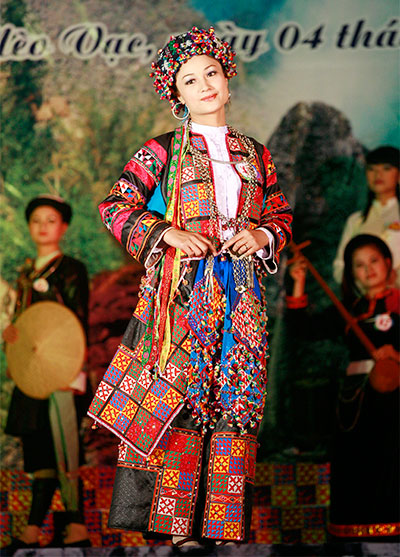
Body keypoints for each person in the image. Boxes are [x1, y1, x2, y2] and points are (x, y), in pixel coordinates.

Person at [88, 26, 292, 547]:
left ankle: (219, 523)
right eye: (190, 80)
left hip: (241, 294)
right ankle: (179, 527)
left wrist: (262, 234)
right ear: (175, 93)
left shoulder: (256, 154)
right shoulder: (162, 150)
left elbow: (280, 214)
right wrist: (167, 233)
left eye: (211, 73)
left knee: (236, 399)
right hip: (183, 295)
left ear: (227, 79)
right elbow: (115, 206)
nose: (204, 85)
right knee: (182, 397)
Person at [287, 234, 399, 541]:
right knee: (356, 465)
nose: (368, 269)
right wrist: (298, 282)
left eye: (374, 261)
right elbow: (304, 329)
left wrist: (395, 355)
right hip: (357, 405)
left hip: (395, 404)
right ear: (351, 273)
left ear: (388, 262)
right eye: (359, 265)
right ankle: (354, 536)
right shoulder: (350, 309)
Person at [2, 195, 91, 553]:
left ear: (63, 227)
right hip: (31, 372)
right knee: (40, 451)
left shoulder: (70, 269)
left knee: (64, 449)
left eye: (50, 220)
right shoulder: (25, 274)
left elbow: (75, 322)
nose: (42, 226)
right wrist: (14, 335)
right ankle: (50, 529)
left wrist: (71, 365)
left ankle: (68, 527)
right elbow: (24, 324)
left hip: (61, 371)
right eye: (36, 220)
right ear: (28, 226)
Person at [333, 145, 400, 286]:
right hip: (364, 297)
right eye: (371, 169)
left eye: (386, 168)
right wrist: (365, 285)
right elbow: (340, 267)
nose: (378, 175)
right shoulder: (356, 221)